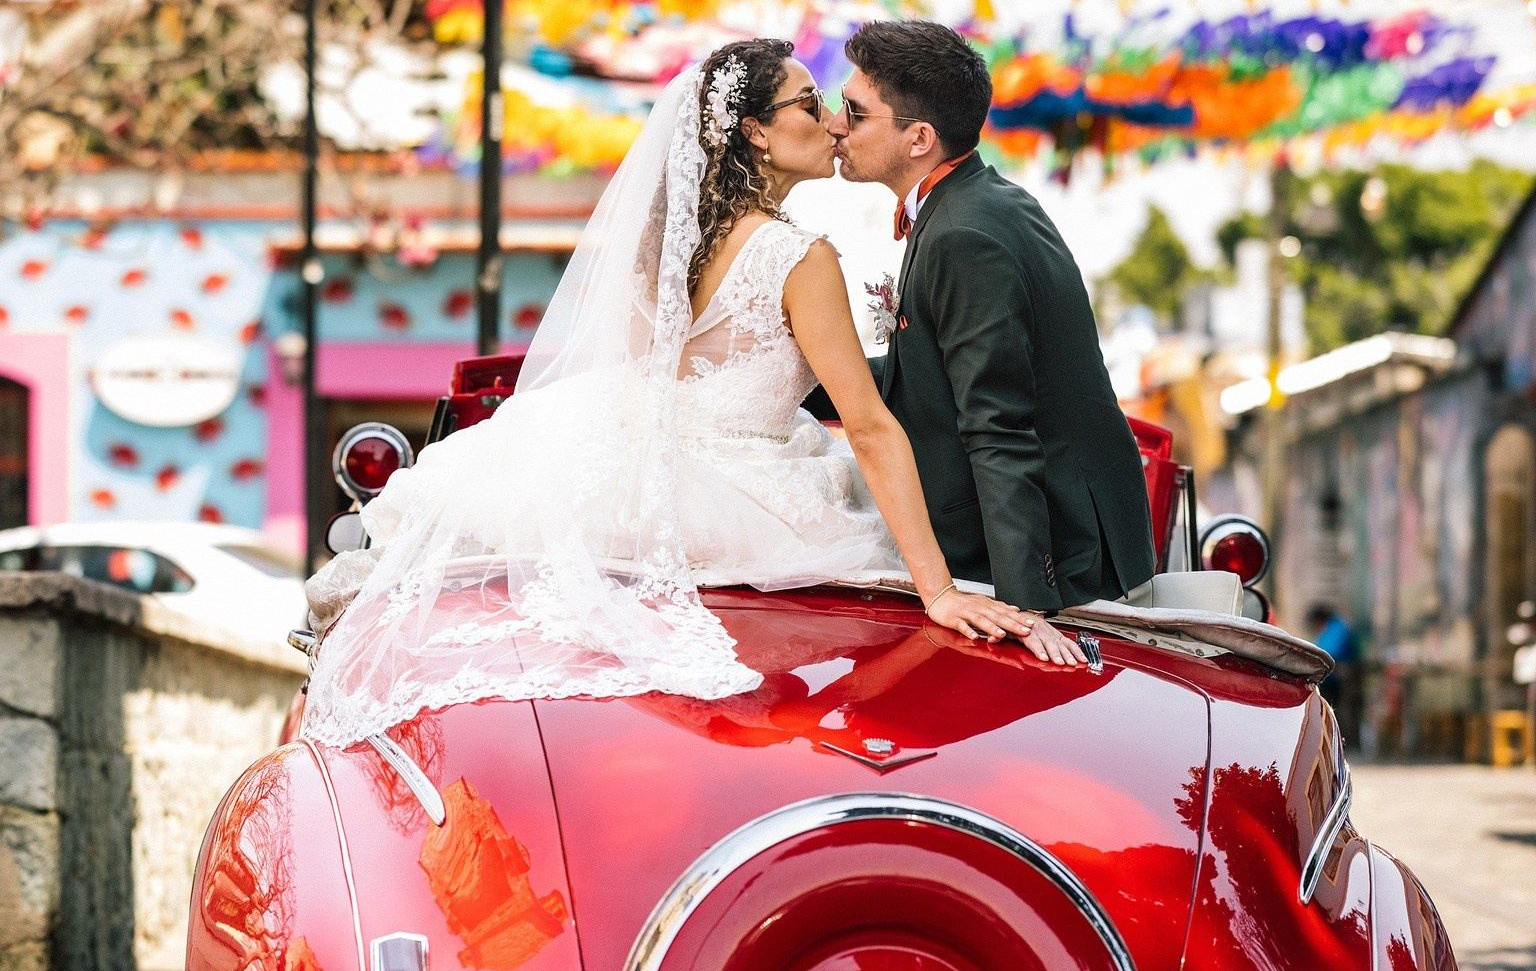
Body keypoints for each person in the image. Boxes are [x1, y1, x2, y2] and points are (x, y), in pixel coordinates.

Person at [298, 39, 1063, 751]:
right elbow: (867, 426)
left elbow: (662, 379)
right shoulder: (799, 258)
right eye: (809, 104)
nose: (832, 124)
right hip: (742, 494)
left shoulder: (662, 248)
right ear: (756, 134)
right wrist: (937, 592)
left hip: (615, 456)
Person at [806, 19, 1154, 646]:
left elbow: (1000, 427)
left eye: (855, 114)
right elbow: (931, 374)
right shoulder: (976, 200)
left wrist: (1027, 612)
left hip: (1062, 554)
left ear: (919, 138)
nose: (834, 124)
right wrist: (802, 374)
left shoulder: (964, 234)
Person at [1309, 603, 1361, 741]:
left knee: (1340, 710)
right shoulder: (1333, 627)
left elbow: (1328, 653)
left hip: (1342, 678)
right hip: (1334, 678)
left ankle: (1339, 739)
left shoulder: (1336, 629)